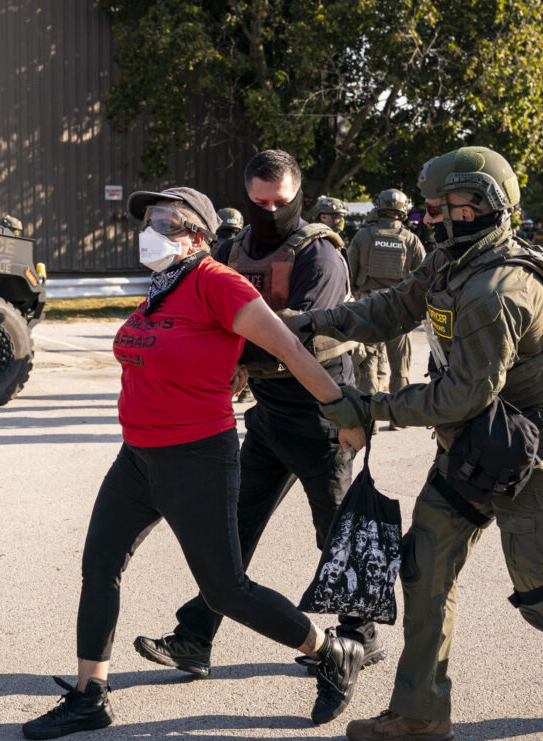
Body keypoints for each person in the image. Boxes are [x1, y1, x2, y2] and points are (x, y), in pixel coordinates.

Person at [287, 146, 543, 741]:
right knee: (424, 569)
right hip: (472, 451)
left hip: (533, 458)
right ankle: (420, 712)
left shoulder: (496, 289)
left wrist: (370, 408)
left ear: (482, 206)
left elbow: (457, 397)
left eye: (442, 207)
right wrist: (311, 322)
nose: (430, 218)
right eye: (430, 208)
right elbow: (393, 307)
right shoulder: (453, 260)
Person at [22, 186, 368, 740]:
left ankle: (331, 652)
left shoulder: (217, 282)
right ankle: (91, 695)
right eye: (149, 219)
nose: (150, 230)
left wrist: (343, 411)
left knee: (226, 590)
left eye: (165, 220)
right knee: (99, 566)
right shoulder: (162, 288)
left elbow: (291, 349)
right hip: (137, 456)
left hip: (197, 458)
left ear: (198, 235)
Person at [132, 150, 387, 680]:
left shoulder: (322, 256)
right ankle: (195, 636)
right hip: (269, 415)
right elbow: (208, 318)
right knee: (235, 526)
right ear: (246, 196)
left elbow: (298, 331)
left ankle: (361, 636)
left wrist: (232, 354)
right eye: (258, 201)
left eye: (280, 201)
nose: (269, 210)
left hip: (322, 411)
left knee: (335, 528)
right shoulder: (232, 248)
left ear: (301, 195)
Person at [346, 188, 426, 411]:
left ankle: (367, 414)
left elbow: (348, 274)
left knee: (368, 361)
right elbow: (425, 277)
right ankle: (399, 417)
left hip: (368, 307)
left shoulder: (362, 236)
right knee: (400, 364)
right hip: (398, 308)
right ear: (403, 211)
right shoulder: (411, 239)